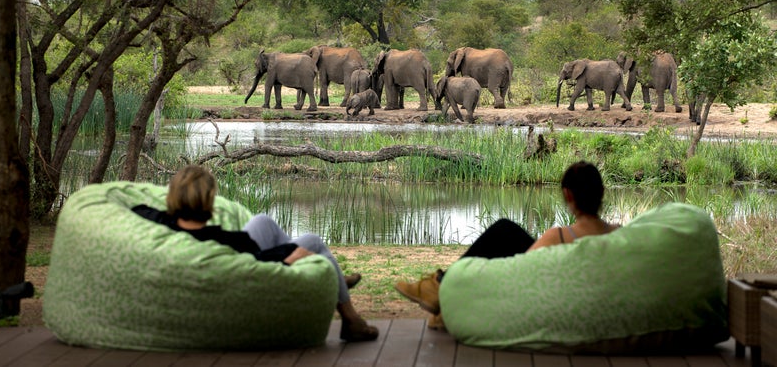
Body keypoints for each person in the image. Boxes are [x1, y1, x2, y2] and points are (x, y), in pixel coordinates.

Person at [132, 165, 378, 342]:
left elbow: (138, 207)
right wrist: (290, 259)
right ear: (209, 202)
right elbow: (254, 266)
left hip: (220, 244)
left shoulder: (161, 222)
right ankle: (350, 318)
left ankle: (336, 281)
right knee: (312, 242)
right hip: (257, 263)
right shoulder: (228, 240)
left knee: (263, 221)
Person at [394, 160, 619, 330]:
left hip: (563, 299)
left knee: (504, 231)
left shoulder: (558, 236)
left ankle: (438, 285)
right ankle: (440, 291)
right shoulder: (620, 234)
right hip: (597, 299)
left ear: (568, 195)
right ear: (602, 193)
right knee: (506, 233)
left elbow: (517, 272)